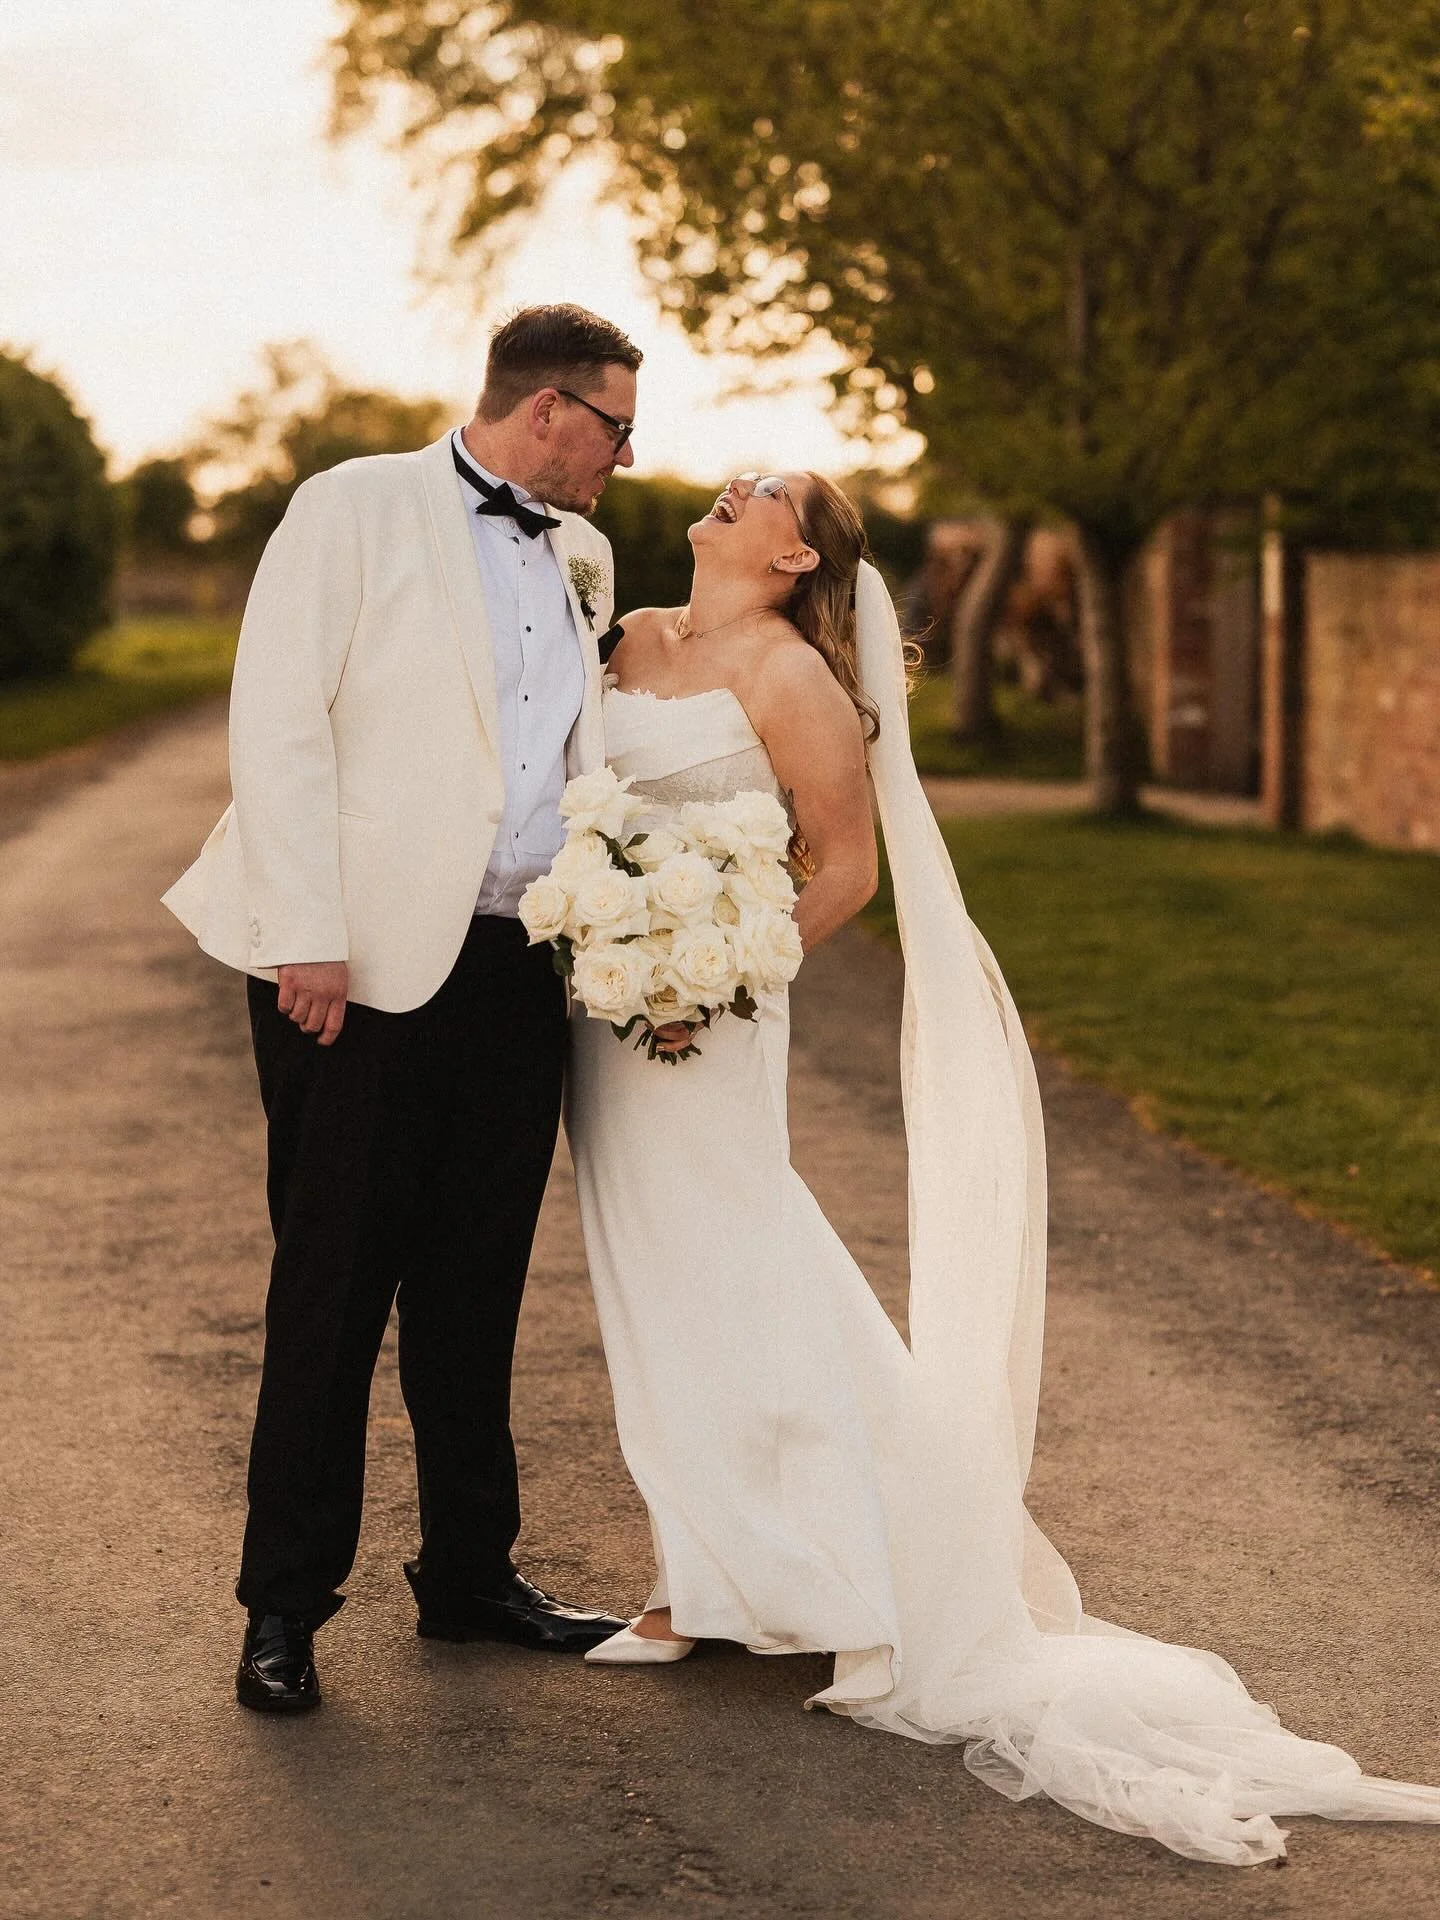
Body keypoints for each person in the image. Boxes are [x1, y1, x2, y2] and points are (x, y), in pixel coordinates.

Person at [562, 468, 1440, 1865]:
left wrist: (710, 972)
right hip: (605, 1009)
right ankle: (711, 1578)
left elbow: (841, 869)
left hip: (707, 1017)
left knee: (740, 1268)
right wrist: (616, 947)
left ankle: (823, 1587)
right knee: (648, 1282)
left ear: (797, 555)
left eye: (766, 494)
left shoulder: (791, 678)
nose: (733, 489)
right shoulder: (629, 633)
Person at [163, 303, 642, 1711]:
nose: (625, 453)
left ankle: (471, 1576)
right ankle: (284, 1610)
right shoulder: (354, 507)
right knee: (330, 1289)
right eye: (616, 425)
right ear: (547, 409)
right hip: (354, 970)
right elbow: (278, 717)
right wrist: (307, 930)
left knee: (476, 1288)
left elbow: (565, 752)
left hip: (514, 969)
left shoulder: (584, 555)